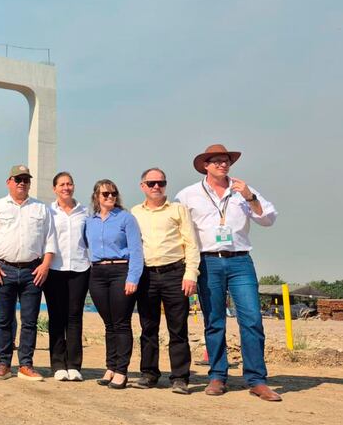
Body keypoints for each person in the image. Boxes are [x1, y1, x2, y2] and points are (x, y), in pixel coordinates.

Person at [175, 144, 281, 402]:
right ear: (205, 166)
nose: (223, 165)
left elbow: (268, 219)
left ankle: (257, 379)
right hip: (208, 262)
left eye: (226, 161)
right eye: (217, 161)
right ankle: (217, 375)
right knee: (214, 321)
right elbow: (178, 229)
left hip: (240, 261)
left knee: (252, 319)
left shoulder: (243, 190)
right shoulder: (188, 195)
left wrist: (250, 197)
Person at [0, 165, 56, 382]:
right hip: (3, 270)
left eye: (25, 179)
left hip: (32, 271)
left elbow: (50, 240)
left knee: (30, 321)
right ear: (9, 182)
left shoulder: (40, 208)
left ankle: (26, 365)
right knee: (4, 320)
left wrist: (45, 265)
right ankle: (3, 364)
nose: (22, 183)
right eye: (17, 179)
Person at [131, 168, 200, 395]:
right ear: (143, 186)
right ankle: (149, 373)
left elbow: (191, 243)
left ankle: (180, 377)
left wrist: (191, 274)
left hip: (174, 273)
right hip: (147, 275)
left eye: (161, 182)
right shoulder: (134, 213)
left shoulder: (178, 210)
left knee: (177, 328)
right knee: (148, 326)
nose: (156, 187)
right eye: (151, 183)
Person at [84, 179, 143, 390]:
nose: (110, 197)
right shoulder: (89, 221)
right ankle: (110, 366)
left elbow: (136, 250)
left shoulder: (126, 218)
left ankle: (121, 371)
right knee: (108, 324)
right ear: (96, 197)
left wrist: (132, 278)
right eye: (105, 194)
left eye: (113, 193)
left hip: (121, 271)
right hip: (98, 272)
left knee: (121, 323)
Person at [44, 172, 90, 382]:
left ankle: (74, 364)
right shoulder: (48, 212)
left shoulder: (85, 212)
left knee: (74, 317)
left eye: (69, 184)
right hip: (54, 269)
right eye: (62, 184)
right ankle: (57, 364)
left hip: (80, 268)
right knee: (56, 317)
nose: (66, 187)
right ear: (54, 188)